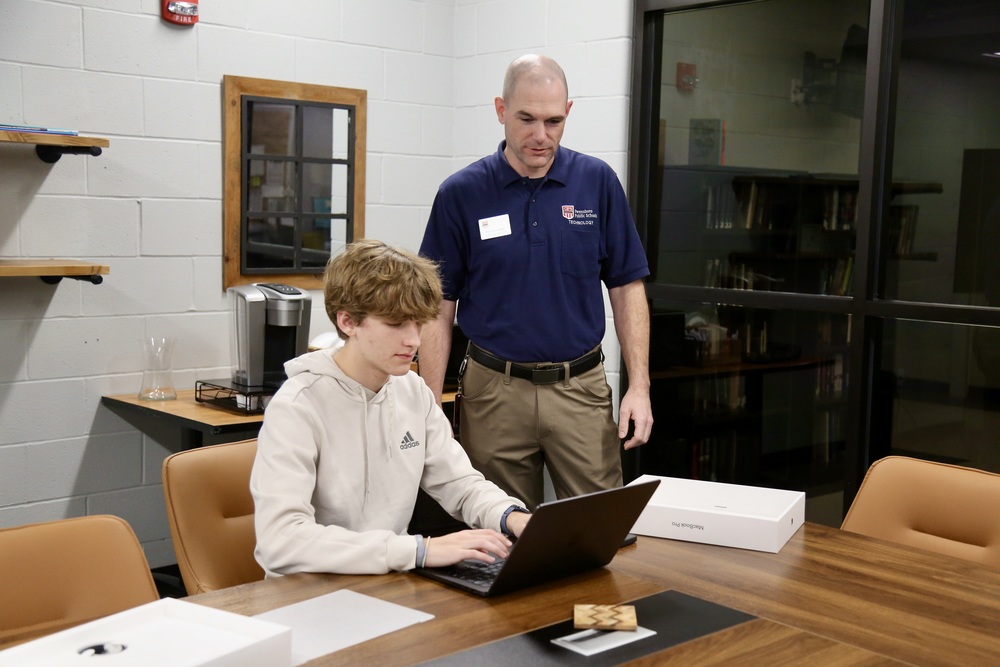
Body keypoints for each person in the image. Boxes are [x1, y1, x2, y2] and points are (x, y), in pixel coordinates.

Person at [418, 54, 654, 510]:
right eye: (526, 118)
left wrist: (639, 387)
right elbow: (438, 306)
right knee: (496, 531)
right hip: (494, 392)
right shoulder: (461, 193)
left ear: (568, 111)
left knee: (599, 523)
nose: (540, 136)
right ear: (500, 110)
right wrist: (430, 404)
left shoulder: (598, 183)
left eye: (553, 120)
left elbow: (627, 288)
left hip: (580, 389)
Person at [250, 239, 530, 577]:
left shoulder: (413, 391)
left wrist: (512, 516)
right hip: (307, 594)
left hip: (387, 581)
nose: (413, 340)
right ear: (347, 322)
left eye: (418, 323)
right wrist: (418, 549)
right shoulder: (298, 406)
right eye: (396, 324)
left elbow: (461, 484)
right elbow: (281, 541)